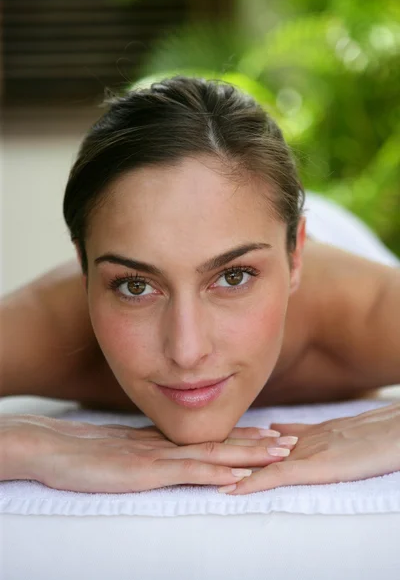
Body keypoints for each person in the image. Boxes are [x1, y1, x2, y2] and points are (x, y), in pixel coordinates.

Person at [1, 76, 399, 496]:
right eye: (135, 286)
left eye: (233, 277)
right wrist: (19, 444)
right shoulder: (52, 327)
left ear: (295, 255)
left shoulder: (366, 307)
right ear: (84, 266)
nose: (187, 352)